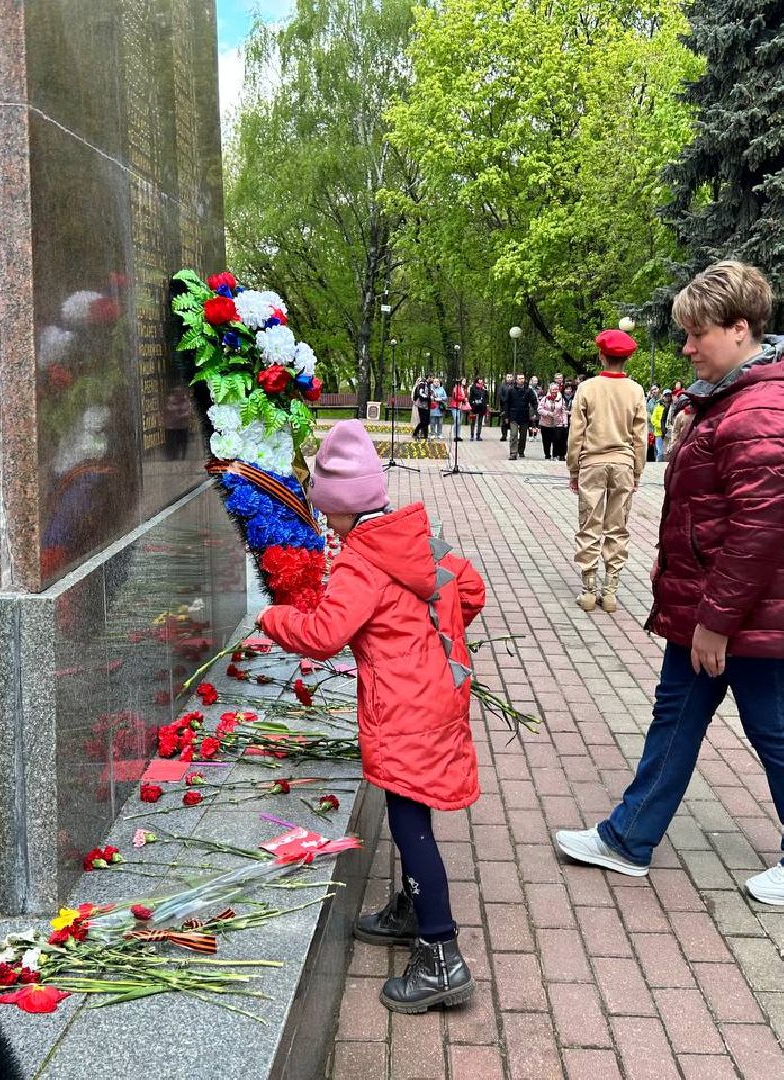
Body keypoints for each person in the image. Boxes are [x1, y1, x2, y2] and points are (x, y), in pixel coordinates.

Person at [554, 260, 784, 907]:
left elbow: (757, 533)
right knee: (677, 714)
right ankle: (629, 837)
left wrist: (715, 620)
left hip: (753, 614)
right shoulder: (735, 397)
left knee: (776, 726)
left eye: (696, 334)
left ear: (740, 330)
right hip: (718, 605)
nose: (686, 347)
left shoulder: (765, 408)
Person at [258, 420, 486, 1012]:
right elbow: (472, 590)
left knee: (410, 823)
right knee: (411, 809)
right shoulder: (418, 539)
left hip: (402, 711)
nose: (328, 525)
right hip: (437, 698)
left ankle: (441, 954)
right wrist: (433, 637)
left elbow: (325, 634)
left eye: (328, 514)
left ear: (340, 507)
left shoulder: (362, 563)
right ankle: (411, 907)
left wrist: (272, 619)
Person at [567, 330, 647, 613]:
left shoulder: (587, 388)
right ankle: (610, 591)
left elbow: (577, 433)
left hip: (592, 462)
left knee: (590, 524)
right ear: (627, 359)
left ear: (602, 355)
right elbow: (640, 436)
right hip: (623, 463)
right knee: (617, 527)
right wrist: (638, 470)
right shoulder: (636, 390)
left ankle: (589, 589)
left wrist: (573, 468)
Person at [505, 374, 539, 460]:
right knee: (513, 435)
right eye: (520, 379)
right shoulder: (511, 391)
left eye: (523, 378)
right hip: (513, 416)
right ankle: (513, 453)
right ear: (516, 380)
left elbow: (534, 402)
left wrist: (534, 412)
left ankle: (521, 451)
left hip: (524, 416)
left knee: (523, 436)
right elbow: (507, 404)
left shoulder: (528, 391)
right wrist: (506, 416)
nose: (521, 380)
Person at [537, 382, 569, 460]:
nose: (555, 391)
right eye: (553, 389)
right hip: (546, 424)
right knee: (546, 441)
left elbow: (564, 412)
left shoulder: (561, 400)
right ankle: (547, 455)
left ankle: (555, 455)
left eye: (556, 389)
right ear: (550, 390)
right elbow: (539, 409)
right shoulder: (545, 399)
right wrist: (548, 413)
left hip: (557, 424)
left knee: (557, 440)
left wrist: (565, 422)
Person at [650, 391, 671, 461]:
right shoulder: (657, 408)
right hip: (659, 433)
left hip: (669, 433)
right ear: (663, 397)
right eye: (666, 396)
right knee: (660, 452)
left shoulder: (672, 408)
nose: (667, 398)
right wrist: (662, 426)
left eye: (669, 396)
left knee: (668, 453)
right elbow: (653, 420)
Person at [497, 374, 515, 441]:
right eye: (508, 377)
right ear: (506, 378)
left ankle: (512, 436)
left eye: (510, 377)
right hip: (504, 406)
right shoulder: (502, 386)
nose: (509, 378)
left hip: (513, 406)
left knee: (512, 422)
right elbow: (500, 394)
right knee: (504, 421)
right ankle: (504, 435)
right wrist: (504, 400)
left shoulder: (514, 386)